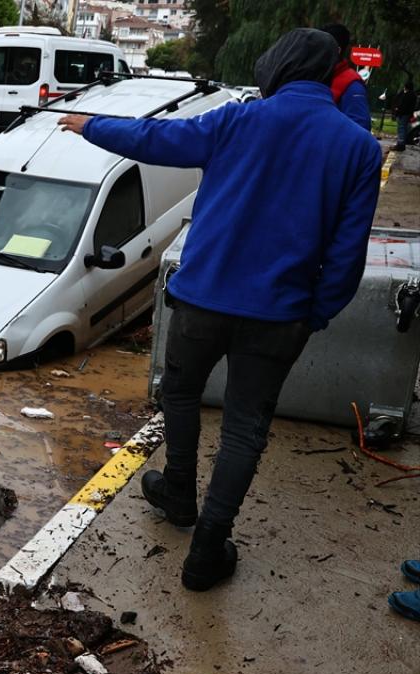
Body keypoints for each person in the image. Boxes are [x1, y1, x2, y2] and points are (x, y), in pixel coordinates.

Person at [58, 28, 382, 592]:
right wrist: (315, 313)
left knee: (180, 394)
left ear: (276, 67)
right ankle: (208, 548)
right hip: (281, 316)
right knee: (245, 428)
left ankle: (178, 489)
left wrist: (90, 125)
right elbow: (348, 255)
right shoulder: (358, 147)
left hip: (202, 301)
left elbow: (156, 140)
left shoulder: (238, 120)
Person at [319, 23, 371, 131]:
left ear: (337, 50)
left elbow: (360, 128)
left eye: (319, 46)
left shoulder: (352, 86)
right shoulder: (316, 76)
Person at [392, 81, 416, 151]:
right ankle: (401, 143)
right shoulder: (413, 95)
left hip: (403, 114)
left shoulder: (407, 95)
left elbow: (402, 104)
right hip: (406, 114)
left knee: (401, 129)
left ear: (406, 87)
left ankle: (400, 144)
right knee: (403, 128)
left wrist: (397, 109)